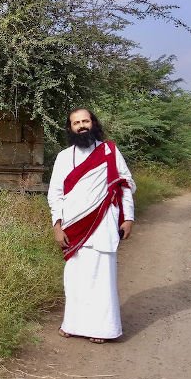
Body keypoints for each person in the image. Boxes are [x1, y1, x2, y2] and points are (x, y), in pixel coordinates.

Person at [47, 108, 136, 343]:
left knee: (102, 279)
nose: (81, 126)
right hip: (73, 228)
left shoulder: (110, 152)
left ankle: (102, 330)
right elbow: (55, 194)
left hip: (103, 225)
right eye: (76, 123)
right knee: (74, 279)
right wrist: (57, 226)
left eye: (85, 121)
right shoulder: (64, 157)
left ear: (93, 123)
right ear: (70, 128)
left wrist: (128, 218)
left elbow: (125, 185)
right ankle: (73, 325)